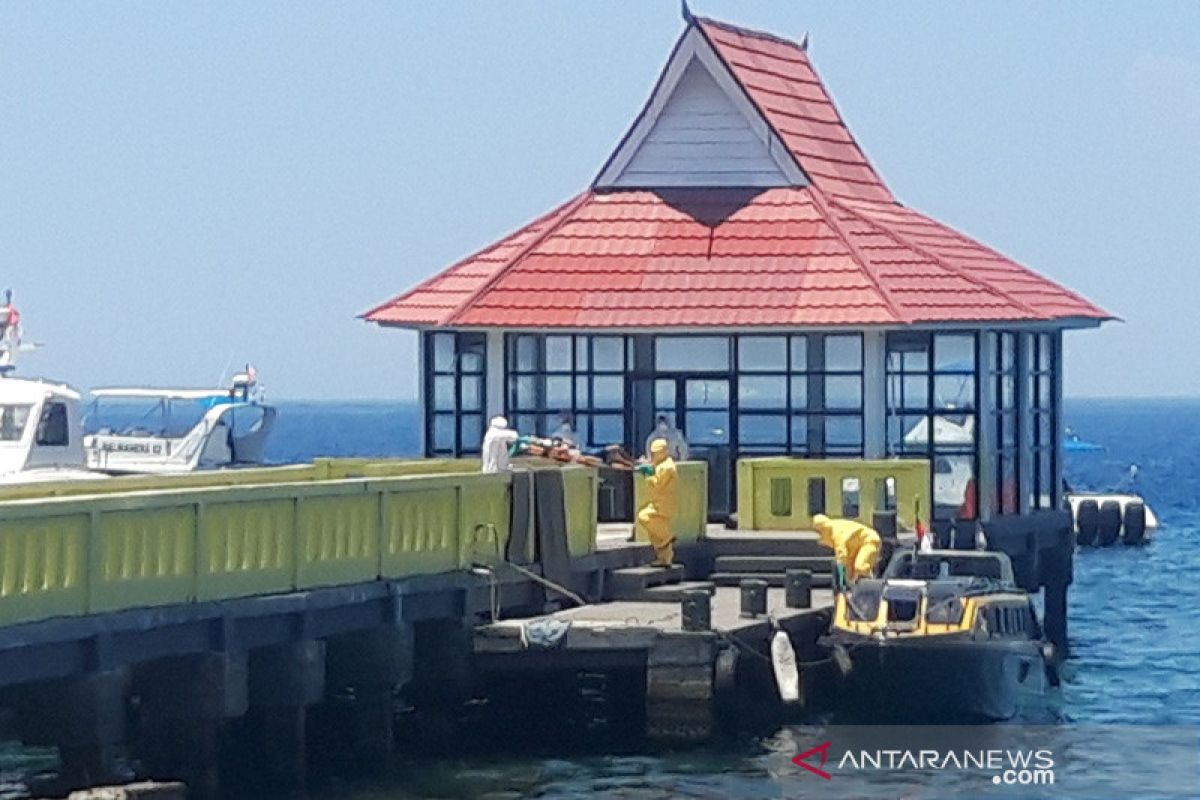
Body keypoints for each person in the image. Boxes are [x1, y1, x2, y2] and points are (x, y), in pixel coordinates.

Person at [636, 438, 678, 567]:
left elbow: (657, 484)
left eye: (654, 453)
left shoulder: (666, 467)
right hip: (659, 502)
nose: (652, 455)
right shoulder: (662, 464)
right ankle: (664, 559)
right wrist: (646, 466)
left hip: (663, 504)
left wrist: (647, 474)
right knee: (654, 532)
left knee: (643, 516)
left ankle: (667, 537)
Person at [811, 514, 882, 587]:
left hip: (869, 541)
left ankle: (872, 588)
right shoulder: (832, 530)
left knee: (860, 567)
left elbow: (841, 554)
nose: (819, 535)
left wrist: (840, 575)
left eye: (819, 532)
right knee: (851, 575)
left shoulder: (837, 532)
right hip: (856, 546)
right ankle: (859, 590)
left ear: (823, 528)